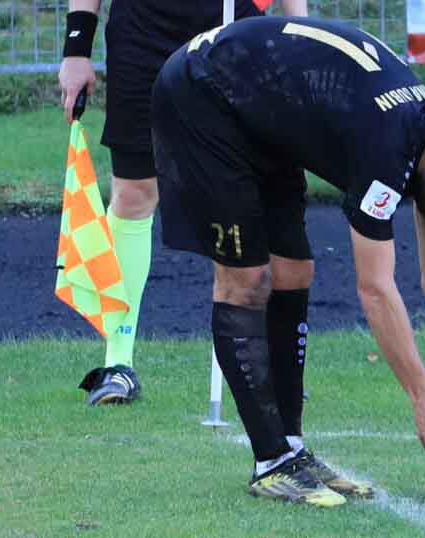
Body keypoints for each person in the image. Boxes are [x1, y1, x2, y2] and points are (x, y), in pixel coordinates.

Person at [151, 16, 425, 506]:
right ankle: (272, 463)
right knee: (247, 279)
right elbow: (375, 288)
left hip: (264, 111)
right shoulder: (388, 147)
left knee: (293, 272)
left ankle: (293, 450)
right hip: (203, 94)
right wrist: (424, 400)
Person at [57, 0, 308, 405]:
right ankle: (118, 364)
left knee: (246, 188)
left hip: (230, 27)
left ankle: (265, 359)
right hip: (141, 33)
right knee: (134, 192)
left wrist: (301, 34)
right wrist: (76, 49)